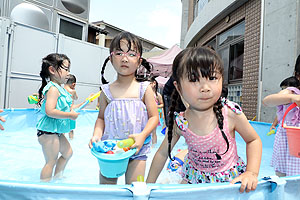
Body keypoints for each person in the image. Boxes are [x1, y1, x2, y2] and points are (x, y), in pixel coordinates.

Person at [146, 47, 262, 193]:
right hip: (193, 178)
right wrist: (148, 186)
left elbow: (253, 140)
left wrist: (251, 172)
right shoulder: (181, 122)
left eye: (212, 78)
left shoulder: (230, 114)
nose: (205, 88)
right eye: (194, 79)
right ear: (178, 87)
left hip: (227, 179)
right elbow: (162, 153)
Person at [88, 31, 159, 184]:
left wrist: (143, 135)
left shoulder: (144, 88)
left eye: (131, 54)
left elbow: (154, 117)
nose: (125, 58)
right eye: (119, 53)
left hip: (137, 148)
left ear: (139, 61)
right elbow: (100, 118)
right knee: (108, 192)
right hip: (111, 150)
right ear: (111, 58)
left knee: (135, 189)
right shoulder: (106, 91)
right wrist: (96, 135)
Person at [36, 53, 79, 182]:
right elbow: (50, 111)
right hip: (48, 132)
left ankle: (57, 178)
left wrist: (70, 110)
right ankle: (44, 189)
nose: (68, 73)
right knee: (51, 161)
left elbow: (60, 107)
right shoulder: (53, 89)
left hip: (55, 132)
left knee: (68, 153)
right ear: (52, 70)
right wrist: (69, 115)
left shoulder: (59, 89)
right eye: (66, 69)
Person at [263, 77, 300, 177]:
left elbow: (267, 101)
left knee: (285, 162)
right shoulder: (291, 94)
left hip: (290, 131)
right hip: (289, 130)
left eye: (284, 89)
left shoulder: (291, 92)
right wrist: (274, 124)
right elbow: (280, 114)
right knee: (288, 162)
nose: (282, 91)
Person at [149, 77, 164, 146]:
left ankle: (153, 145)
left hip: (154, 115)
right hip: (147, 114)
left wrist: (155, 106)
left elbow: (162, 104)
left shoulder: (157, 95)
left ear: (154, 83)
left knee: (153, 131)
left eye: (149, 83)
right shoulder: (146, 94)